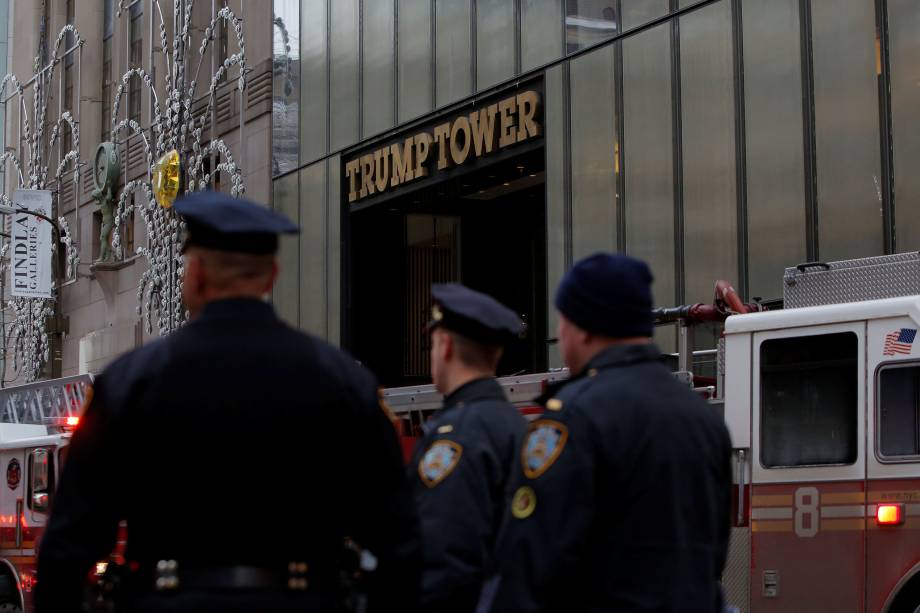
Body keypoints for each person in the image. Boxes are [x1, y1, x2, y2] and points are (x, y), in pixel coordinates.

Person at [35, 191, 419, 613]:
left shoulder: (131, 383)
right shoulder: (344, 382)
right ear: (271, 276)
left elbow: (67, 550)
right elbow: (399, 543)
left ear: (195, 275)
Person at [482, 253, 732, 613]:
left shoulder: (573, 418)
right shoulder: (702, 418)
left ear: (584, 325)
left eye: (562, 321)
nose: (561, 334)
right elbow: (713, 553)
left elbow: (529, 561)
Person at [410, 283, 527, 613]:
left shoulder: (458, 437)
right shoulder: (517, 426)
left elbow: (445, 561)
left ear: (444, 346)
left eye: (431, 343)